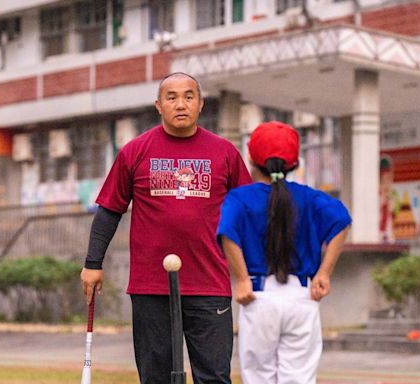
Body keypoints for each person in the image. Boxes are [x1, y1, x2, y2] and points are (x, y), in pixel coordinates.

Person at [80, 72, 251, 384]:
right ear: (158, 105)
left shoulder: (225, 153)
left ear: (200, 104)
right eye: (171, 97)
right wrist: (93, 264)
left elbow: (246, 215)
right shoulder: (135, 151)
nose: (180, 104)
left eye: (188, 96)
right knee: (155, 378)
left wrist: (248, 273)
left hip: (208, 284)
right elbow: (109, 211)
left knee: (214, 376)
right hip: (150, 287)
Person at [217, 121, 351, 384]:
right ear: (295, 164)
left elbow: (228, 233)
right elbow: (342, 221)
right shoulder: (309, 197)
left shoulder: (240, 198)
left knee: (259, 378)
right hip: (302, 296)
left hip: (258, 297)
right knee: (299, 379)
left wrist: (242, 278)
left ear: (251, 159)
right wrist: (324, 273)